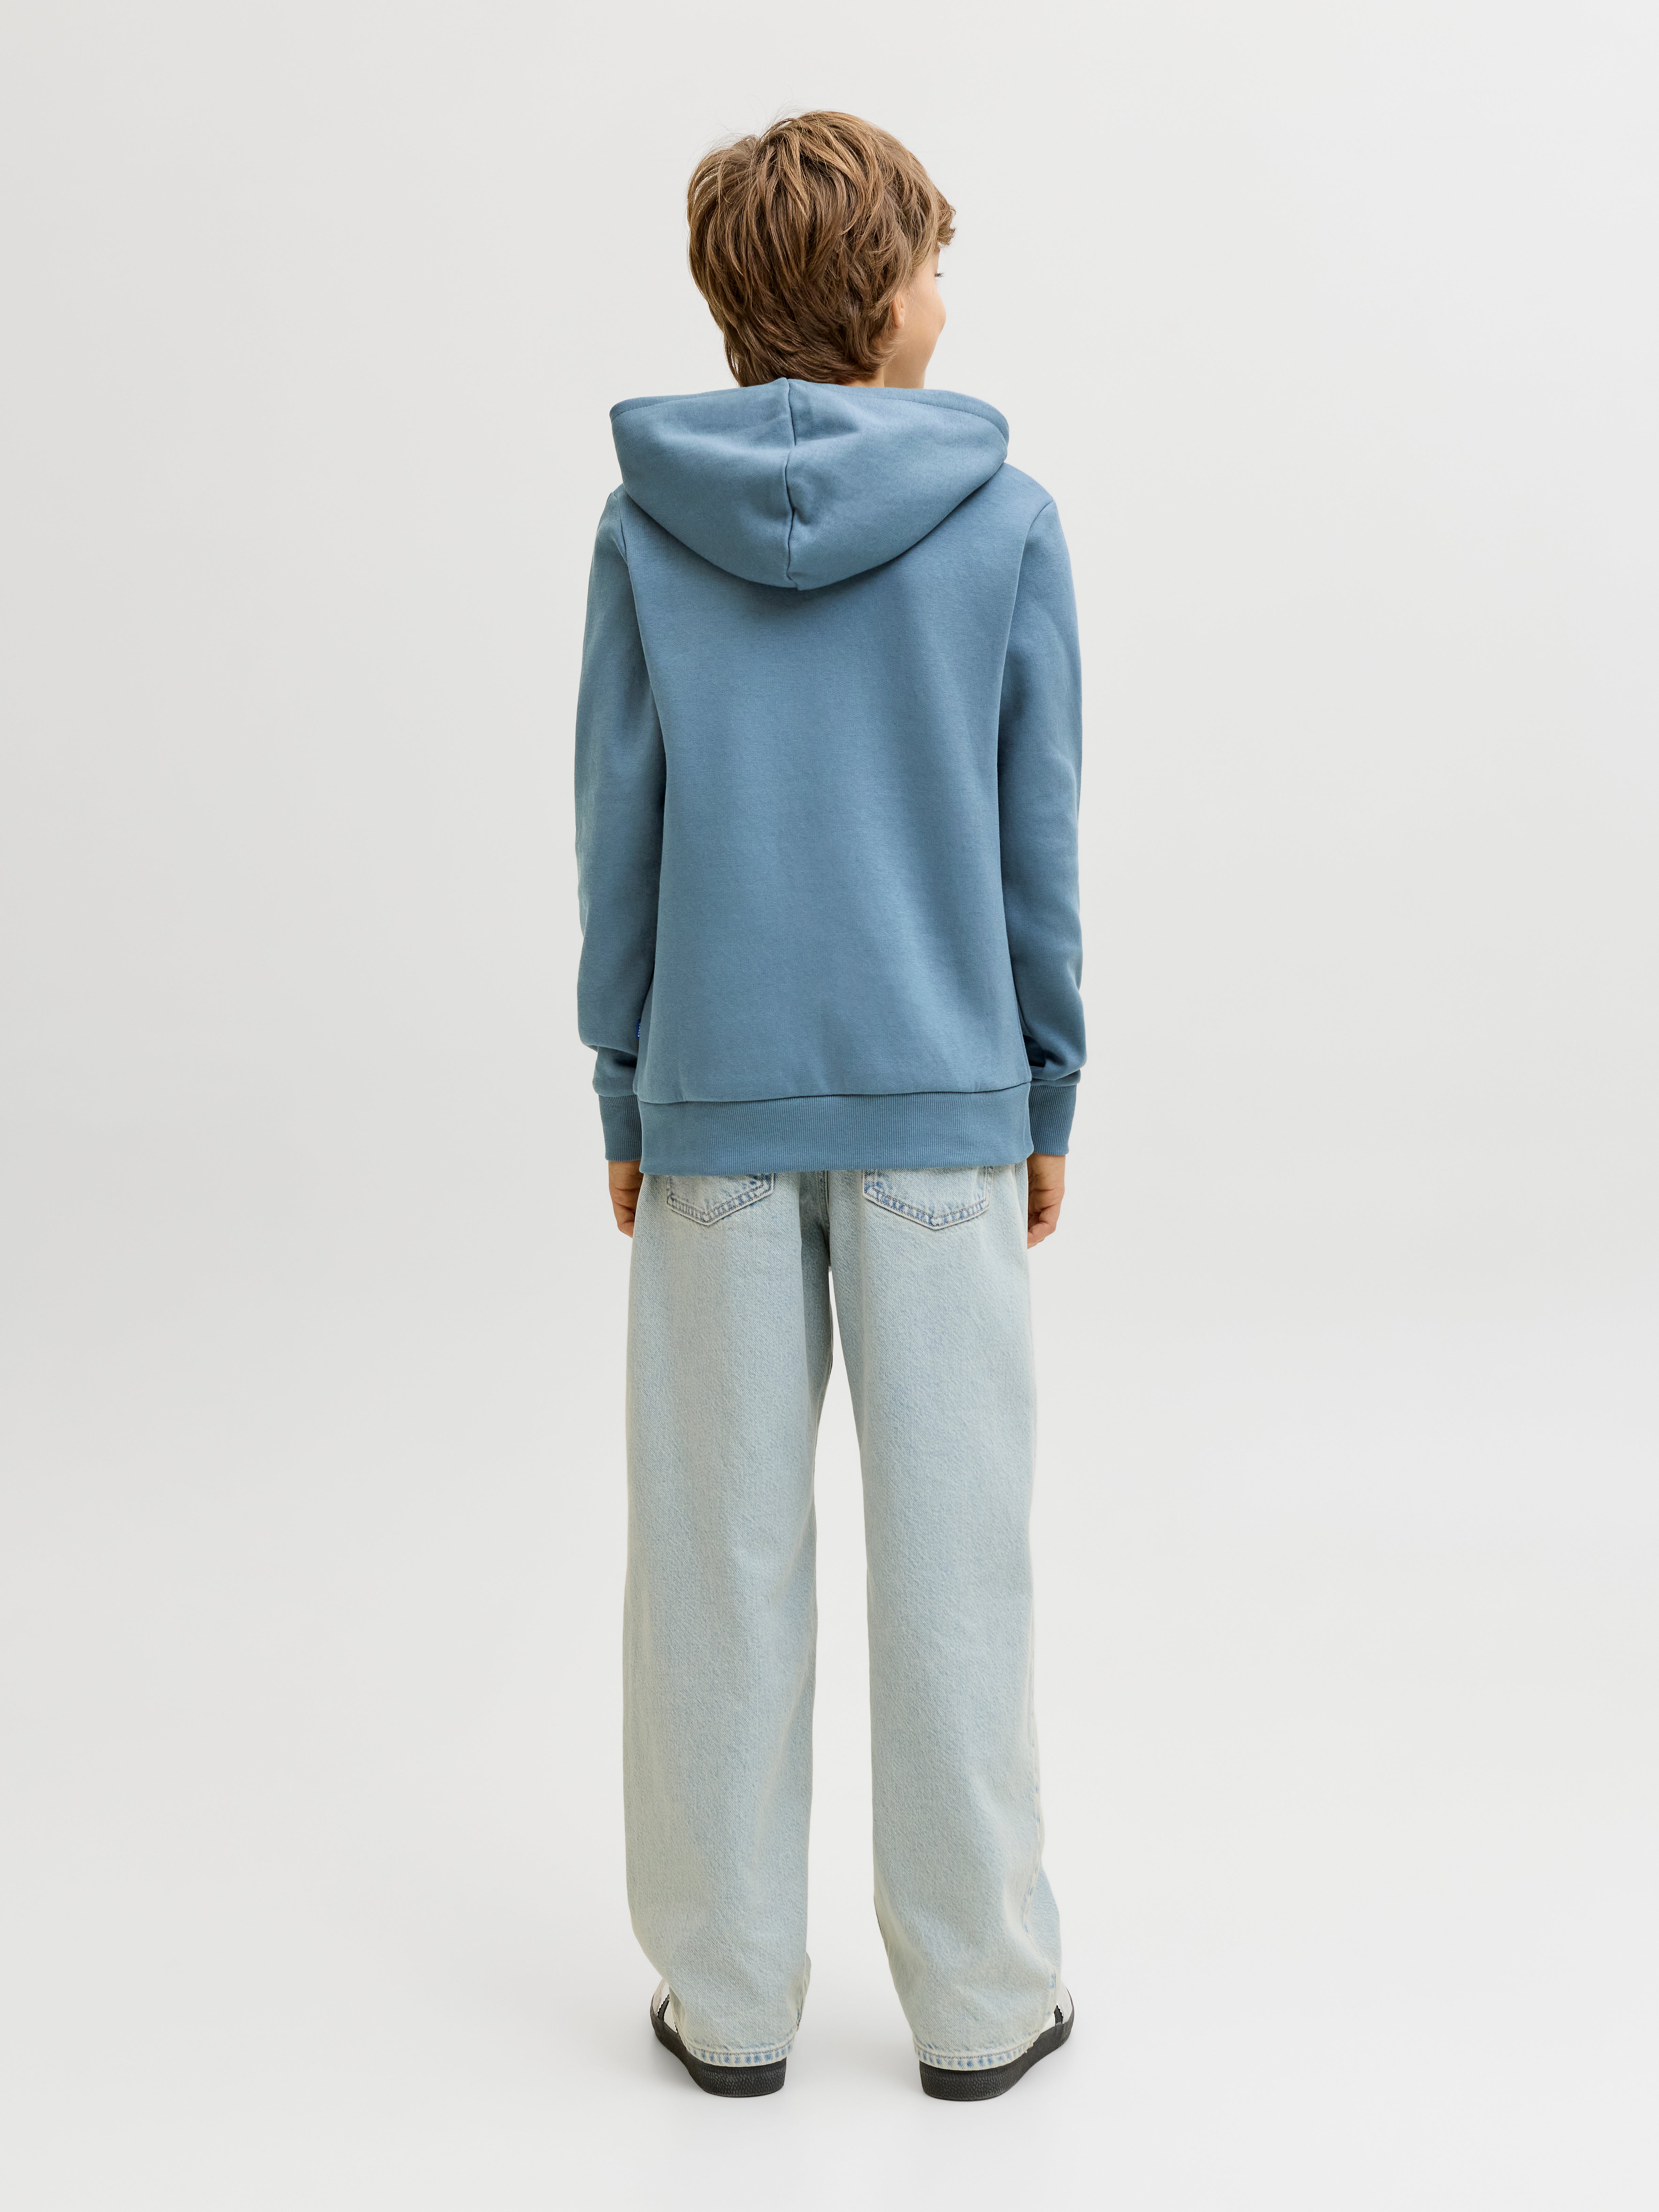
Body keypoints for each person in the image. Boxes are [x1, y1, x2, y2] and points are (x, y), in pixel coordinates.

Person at [574, 111, 1084, 2102]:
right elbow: (1034, 839)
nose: (948, 295)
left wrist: (625, 1082)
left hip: (712, 1105)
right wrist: (1047, 1082)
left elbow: (620, 832)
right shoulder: (1005, 522)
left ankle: (728, 2004)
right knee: (957, 1572)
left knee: (714, 1567)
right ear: (881, 298)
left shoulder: (643, 530)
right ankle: (980, 2006)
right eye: (935, 262)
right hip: (946, 1112)